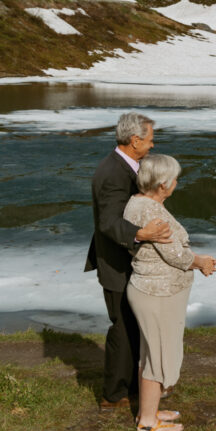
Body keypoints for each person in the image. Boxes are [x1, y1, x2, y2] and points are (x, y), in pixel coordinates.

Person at [124, 154, 216, 431]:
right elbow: (174, 254)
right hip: (158, 293)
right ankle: (148, 423)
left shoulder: (137, 203)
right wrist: (201, 262)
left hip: (151, 290)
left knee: (151, 353)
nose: (177, 183)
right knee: (158, 356)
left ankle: (146, 411)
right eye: (175, 179)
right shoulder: (151, 211)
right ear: (163, 185)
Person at [86, 112, 172, 411]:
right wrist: (140, 233)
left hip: (125, 261)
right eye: (149, 140)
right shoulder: (112, 173)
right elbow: (109, 221)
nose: (152, 145)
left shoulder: (125, 167)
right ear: (135, 140)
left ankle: (135, 387)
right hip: (116, 264)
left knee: (134, 326)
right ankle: (113, 394)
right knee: (122, 328)